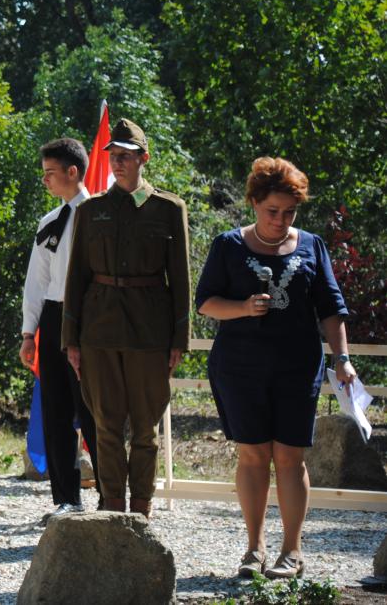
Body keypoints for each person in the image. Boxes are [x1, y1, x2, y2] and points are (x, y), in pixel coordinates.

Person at [195, 157, 354, 580]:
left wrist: (342, 359)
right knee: (252, 455)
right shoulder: (227, 245)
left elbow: (332, 308)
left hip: (297, 367)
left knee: (289, 456)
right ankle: (254, 549)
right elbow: (206, 301)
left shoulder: (312, 245)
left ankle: (292, 551)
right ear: (254, 203)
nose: (281, 220)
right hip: (239, 367)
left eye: (289, 212)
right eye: (272, 211)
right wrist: (244, 308)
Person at [62, 118, 190, 518]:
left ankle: (141, 509)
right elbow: (76, 277)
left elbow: (181, 279)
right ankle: (113, 507)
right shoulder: (92, 210)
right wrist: (71, 338)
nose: (118, 163)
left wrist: (178, 339)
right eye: (113, 156)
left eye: (126, 156)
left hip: (150, 331)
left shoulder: (168, 209)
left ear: (143, 159)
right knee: (106, 425)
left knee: (146, 430)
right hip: (99, 329)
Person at [19, 138, 102, 522]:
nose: (46, 181)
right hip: (53, 319)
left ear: (73, 171)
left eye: (50, 173)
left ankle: (110, 494)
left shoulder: (100, 215)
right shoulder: (49, 223)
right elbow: (37, 282)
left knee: (93, 410)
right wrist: (28, 333)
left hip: (89, 318)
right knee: (56, 411)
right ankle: (66, 499)